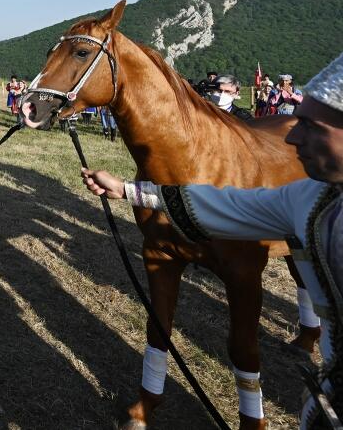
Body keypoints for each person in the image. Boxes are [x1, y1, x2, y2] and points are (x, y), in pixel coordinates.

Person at [81, 51, 343, 429]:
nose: (294, 137)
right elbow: (226, 204)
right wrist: (126, 189)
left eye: (312, 127)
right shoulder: (307, 199)